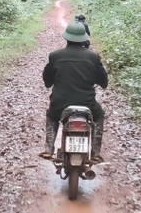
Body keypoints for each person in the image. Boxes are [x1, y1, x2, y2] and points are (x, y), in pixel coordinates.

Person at [40, 21, 108, 163]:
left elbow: (47, 80)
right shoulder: (93, 57)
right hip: (87, 104)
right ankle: (95, 152)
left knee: (52, 116)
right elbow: (104, 81)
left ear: (67, 37)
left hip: (59, 104)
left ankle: (48, 149)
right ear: (84, 38)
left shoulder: (55, 56)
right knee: (99, 116)